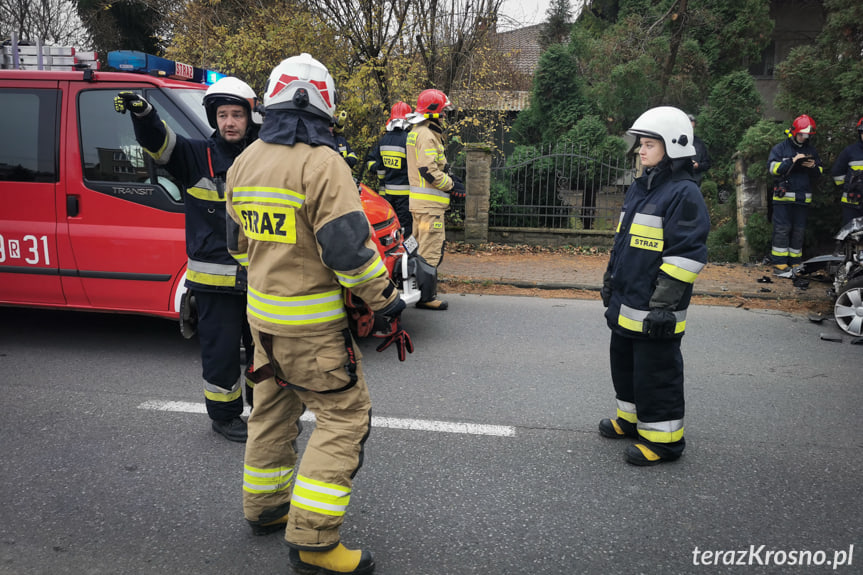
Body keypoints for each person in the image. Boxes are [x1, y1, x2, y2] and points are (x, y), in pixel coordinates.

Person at [225, 53, 412, 575]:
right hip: (312, 330)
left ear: (271, 99)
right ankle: (313, 541)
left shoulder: (246, 161)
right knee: (344, 418)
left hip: (263, 323)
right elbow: (350, 253)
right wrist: (387, 301)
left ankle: (263, 508)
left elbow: (237, 246)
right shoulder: (323, 163)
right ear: (325, 104)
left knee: (271, 411)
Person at [113, 77, 261, 443]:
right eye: (223, 115)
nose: (229, 122)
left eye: (237, 115)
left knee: (266, 353)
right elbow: (159, 143)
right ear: (213, 118)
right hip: (214, 286)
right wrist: (144, 115)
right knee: (221, 355)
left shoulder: (264, 157)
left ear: (250, 117)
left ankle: (265, 412)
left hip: (262, 280)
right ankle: (225, 417)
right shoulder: (195, 155)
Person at [598, 106, 710, 466]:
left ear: (674, 146)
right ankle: (631, 421)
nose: (640, 151)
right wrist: (610, 280)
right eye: (640, 144)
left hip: (656, 310)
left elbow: (686, 255)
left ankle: (664, 442)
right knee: (626, 367)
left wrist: (662, 306)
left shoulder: (684, 194)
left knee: (655, 374)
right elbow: (623, 241)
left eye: (648, 144)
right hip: (628, 303)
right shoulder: (641, 188)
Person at [406, 88, 465, 311]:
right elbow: (428, 170)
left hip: (420, 206)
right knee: (431, 248)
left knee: (418, 245)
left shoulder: (417, 131)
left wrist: (450, 176)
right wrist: (451, 186)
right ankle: (426, 297)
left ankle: (415, 288)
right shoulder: (428, 135)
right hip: (430, 208)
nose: (444, 117)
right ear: (432, 113)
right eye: (442, 112)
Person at [767, 114, 823, 277]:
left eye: (807, 136)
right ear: (793, 132)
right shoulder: (780, 149)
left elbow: (819, 172)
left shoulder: (811, 150)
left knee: (799, 231)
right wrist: (792, 161)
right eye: (801, 134)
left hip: (802, 199)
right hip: (783, 199)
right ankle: (779, 264)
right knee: (782, 230)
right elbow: (772, 169)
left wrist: (813, 166)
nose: (804, 138)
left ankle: (795, 263)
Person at [367, 101, 414, 238]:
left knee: (390, 229)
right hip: (406, 195)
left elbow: (371, 163)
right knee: (406, 229)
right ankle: (406, 256)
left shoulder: (384, 140)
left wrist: (379, 168)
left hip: (387, 195)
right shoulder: (409, 140)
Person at [830, 116, 863, 226]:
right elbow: (836, 173)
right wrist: (849, 185)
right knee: (851, 236)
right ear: (859, 133)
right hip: (851, 203)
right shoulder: (850, 151)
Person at [687, 114, 712, 185]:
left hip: (695, 184)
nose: (690, 130)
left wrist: (698, 166)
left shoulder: (699, 143)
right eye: (688, 127)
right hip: (677, 184)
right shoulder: (674, 142)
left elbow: (707, 164)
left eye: (692, 128)